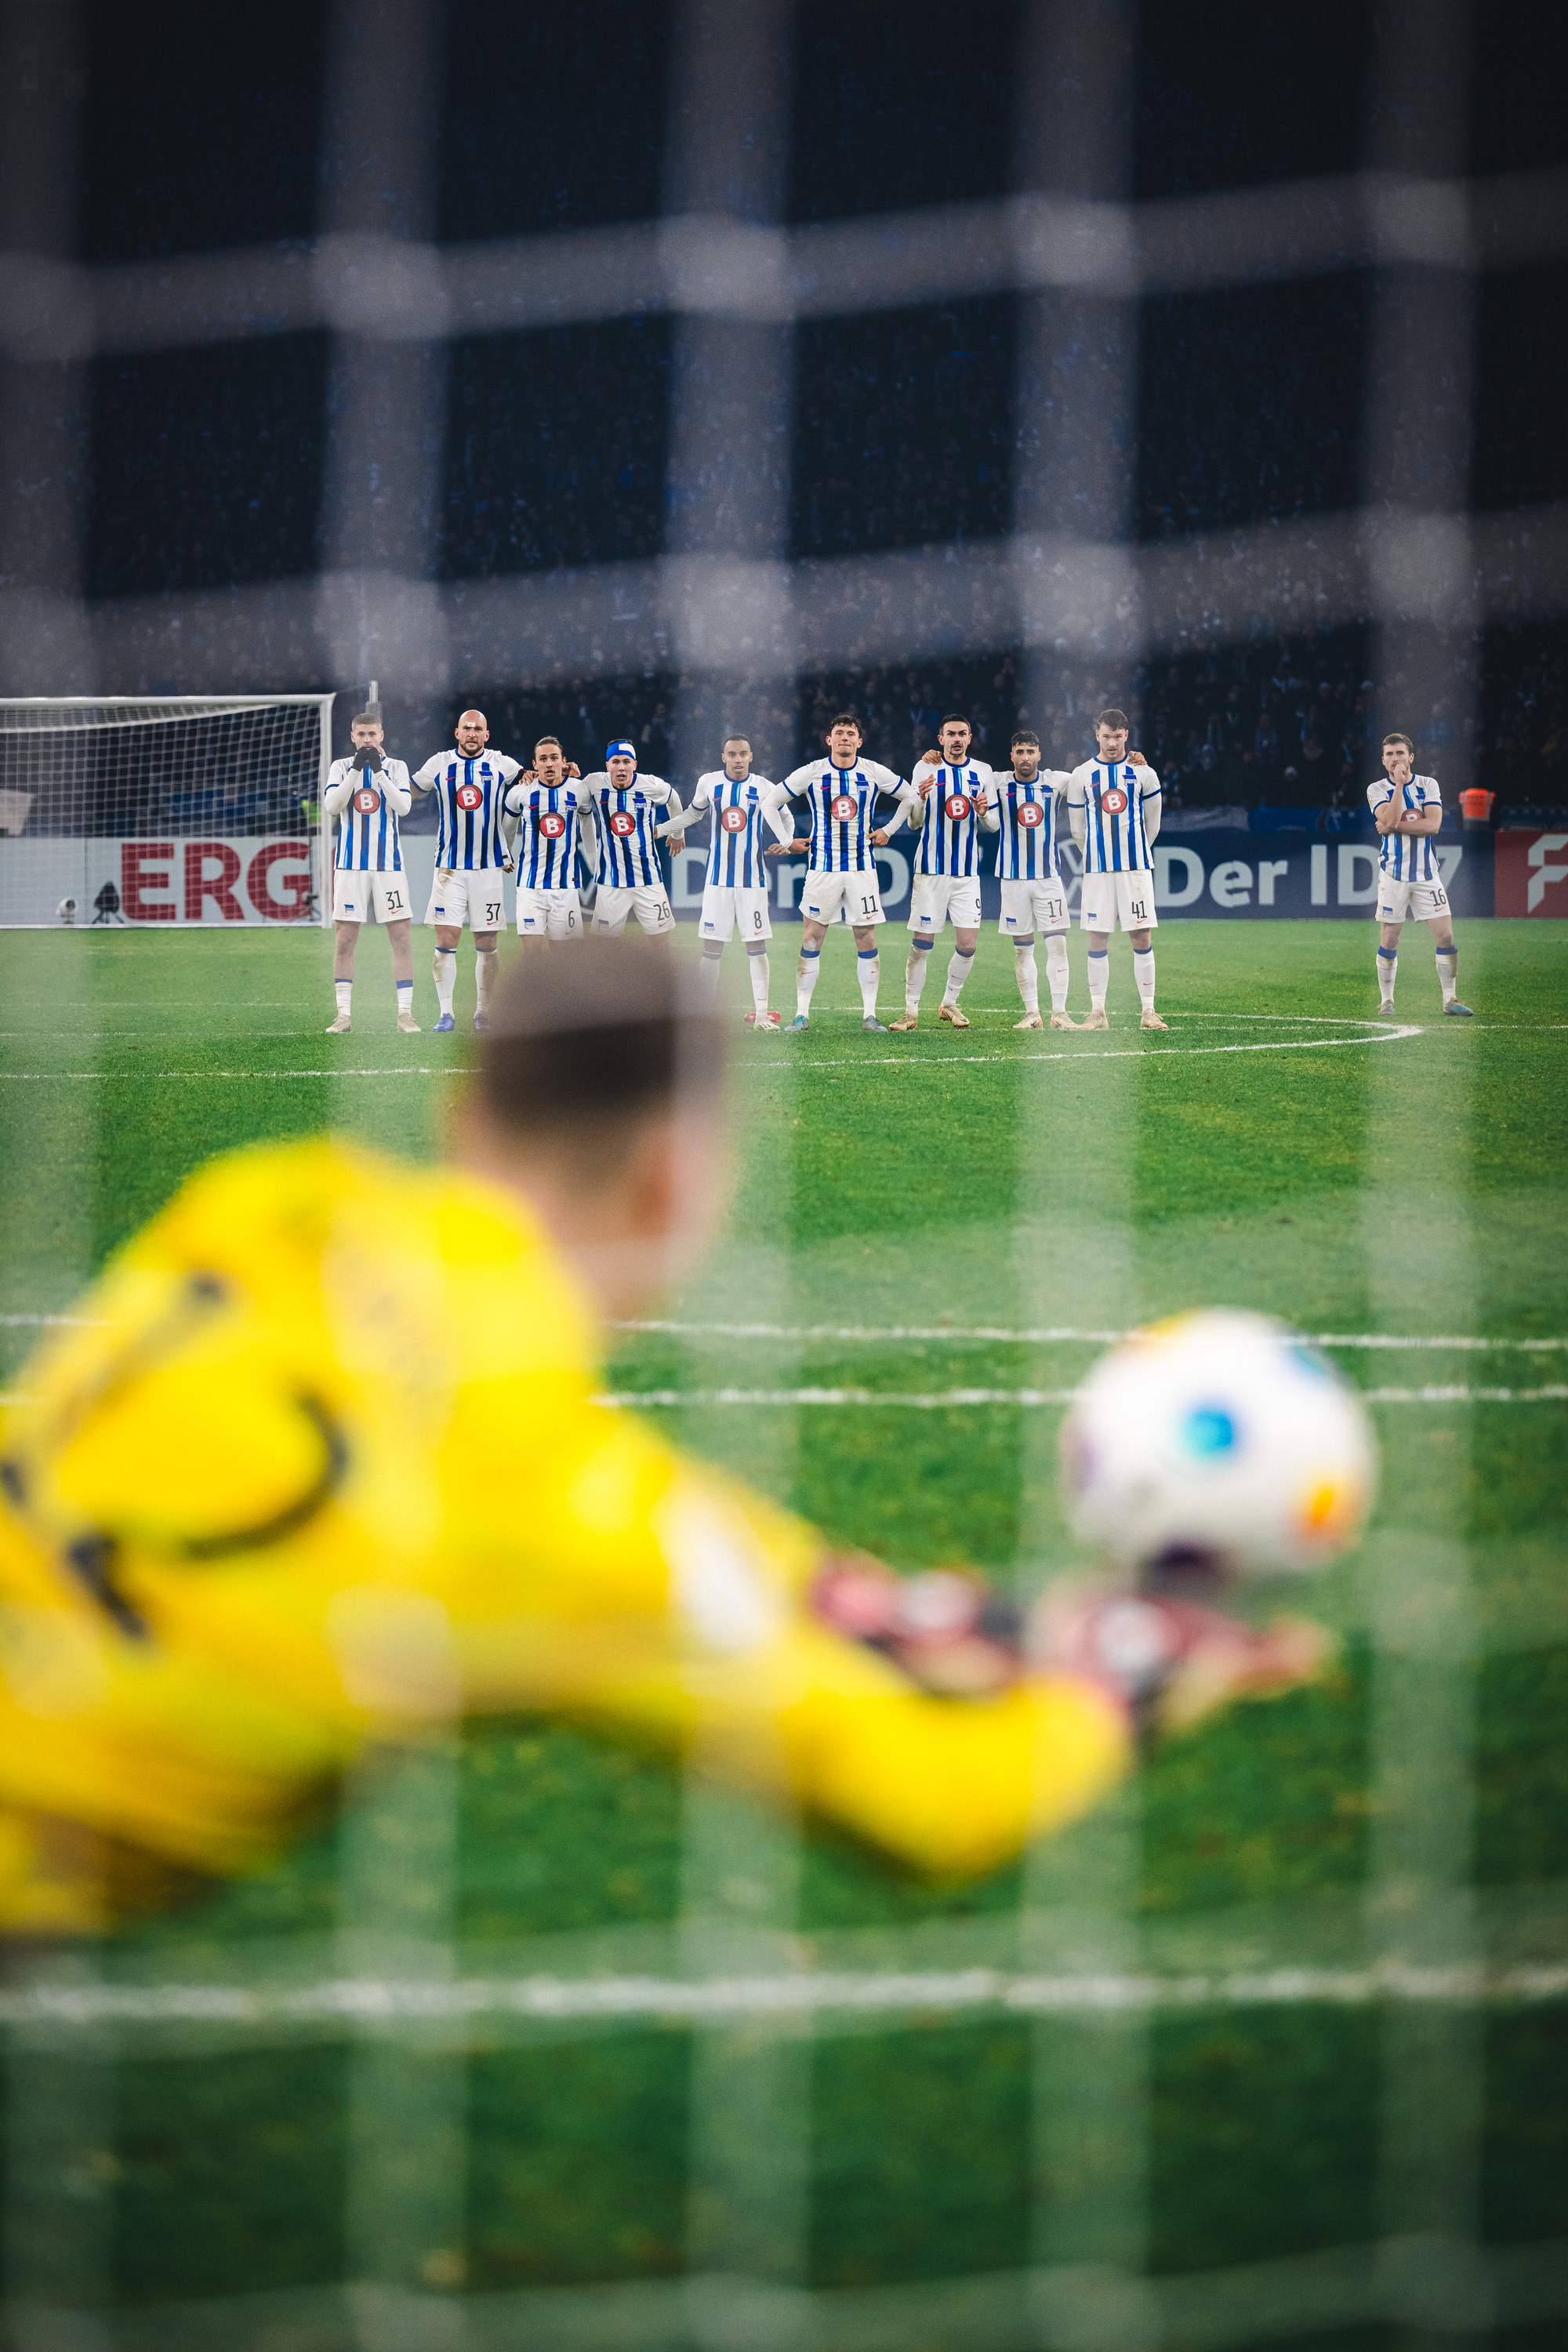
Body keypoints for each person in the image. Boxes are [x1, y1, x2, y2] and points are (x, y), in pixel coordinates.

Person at [0, 942, 1324, 1933]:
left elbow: (786, 1587)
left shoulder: (273, 1199)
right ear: (674, 1178)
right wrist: (1125, 1686)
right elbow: (940, 1805)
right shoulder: (559, 1509)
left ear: (470, 1110)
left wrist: (993, 1618)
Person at [764, 713, 916, 1033]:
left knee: (866, 937)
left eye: (850, 733)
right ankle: (801, 1015)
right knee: (812, 937)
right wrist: (785, 841)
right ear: (829, 740)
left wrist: (889, 829)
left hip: (862, 870)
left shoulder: (873, 771)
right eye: (839, 733)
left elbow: (911, 797)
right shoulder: (813, 772)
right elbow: (769, 803)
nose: (844, 737)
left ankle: (870, 1015)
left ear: (859, 742)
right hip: (823, 869)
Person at [411, 708, 521, 1033]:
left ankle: (483, 1012)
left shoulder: (503, 764)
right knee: (446, 939)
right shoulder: (440, 763)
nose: (472, 733)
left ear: (487, 735)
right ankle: (446, 1014)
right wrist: (386, 775)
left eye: (478, 729)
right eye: (466, 728)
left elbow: (532, 781)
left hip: (488, 869)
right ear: (457, 733)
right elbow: (412, 790)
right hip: (449, 869)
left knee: (487, 943)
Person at [891, 713, 994, 1033]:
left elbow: (994, 826)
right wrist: (920, 798)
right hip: (930, 871)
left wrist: (984, 812)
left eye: (962, 733)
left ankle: (949, 1002)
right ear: (941, 739)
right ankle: (910, 1011)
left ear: (970, 737)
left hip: (966, 874)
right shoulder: (925, 768)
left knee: (968, 945)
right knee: (922, 944)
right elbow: (914, 822)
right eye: (951, 734)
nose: (957, 739)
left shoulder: (983, 771)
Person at [1065, 709, 1167, 1032]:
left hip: (1134, 868)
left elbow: (1153, 824)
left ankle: (1148, 1012)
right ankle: (1098, 1014)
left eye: (1118, 736)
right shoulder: (1082, 774)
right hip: (1097, 870)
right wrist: (1097, 854)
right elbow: (1077, 830)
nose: (1112, 743)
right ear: (1097, 735)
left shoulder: (1144, 773)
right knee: (1097, 937)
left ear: (1127, 736)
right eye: (1106, 736)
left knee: (1141, 935)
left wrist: (1134, 851)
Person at [321, 706, 419, 1035]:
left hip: (388, 865)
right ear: (352, 737)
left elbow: (403, 807)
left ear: (381, 736)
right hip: (350, 866)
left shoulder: (397, 767)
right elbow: (332, 808)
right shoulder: (339, 767)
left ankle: (405, 1015)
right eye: (361, 735)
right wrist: (354, 772)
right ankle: (343, 1016)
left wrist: (379, 773)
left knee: (401, 937)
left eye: (372, 734)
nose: (366, 739)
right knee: (345, 940)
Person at [1369, 733, 1473, 1016]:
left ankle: (1450, 1000)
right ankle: (1387, 1001)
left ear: (1411, 757)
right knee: (1389, 940)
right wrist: (1400, 785)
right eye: (1389, 754)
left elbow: (1433, 826)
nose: (1395, 759)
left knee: (1446, 937)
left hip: (1427, 875)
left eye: (1400, 753)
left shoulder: (1429, 784)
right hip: (1393, 875)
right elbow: (1388, 819)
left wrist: (1392, 825)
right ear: (1383, 760)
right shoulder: (1376, 789)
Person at [687, 733, 783, 1028]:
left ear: (751, 756)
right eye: (732, 754)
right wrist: (674, 830)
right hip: (717, 881)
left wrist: (787, 840)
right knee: (711, 949)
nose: (738, 759)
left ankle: (763, 1015)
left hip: (752, 881)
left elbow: (787, 817)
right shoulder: (709, 782)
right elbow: (693, 812)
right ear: (724, 757)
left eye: (743, 754)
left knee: (757, 947)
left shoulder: (766, 788)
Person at [992, 728, 1076, 1031]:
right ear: (1011, 755)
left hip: (1047, 878)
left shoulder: (1056, 781)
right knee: (1023, 949)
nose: (1025, 757)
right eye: (1020, 751)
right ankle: (1032, 1014)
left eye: (1030, 751)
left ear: (1039, 755)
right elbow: (963, 775)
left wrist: (1131, 763)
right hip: (1012, 879)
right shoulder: (997, 782)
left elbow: (1093, 775)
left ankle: (1061, 1013)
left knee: (1057, 947)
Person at [581, 740, 684, 937]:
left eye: (627, 761)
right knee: (603, 949)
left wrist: (678, 833)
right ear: (607, 766)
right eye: (616, 761)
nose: (621, 767)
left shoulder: (651, 784)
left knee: (661, 943)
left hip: (649, 880)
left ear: (635, 765)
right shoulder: (593, 782)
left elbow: (673, 799)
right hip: (611, 883)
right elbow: (565, 790)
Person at [505, 734, 590, 946]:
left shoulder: (578, 789)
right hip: (530, 887)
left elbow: (588, 825)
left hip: (565, 886)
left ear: (564, 762)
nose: (549, 763)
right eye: (543, 759)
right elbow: (508, 825)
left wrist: (594, 857)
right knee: (532, 956)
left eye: (554, 758)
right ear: (534, 764)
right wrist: (505, 853)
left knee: (564, 959)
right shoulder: (520, 792)